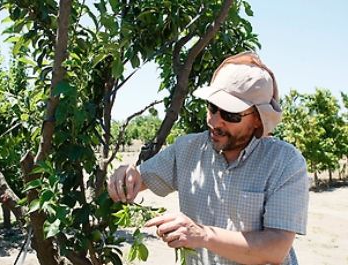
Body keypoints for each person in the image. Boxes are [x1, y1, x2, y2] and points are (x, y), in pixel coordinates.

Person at [108, 51, 309, 265]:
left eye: (230, 115)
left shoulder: (285, 162)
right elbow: (139, 178)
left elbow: (275, 248)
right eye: (212, 107)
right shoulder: (187, 148)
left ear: (258, 119)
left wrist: (202, 235)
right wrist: (126, 175)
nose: (214, 121)